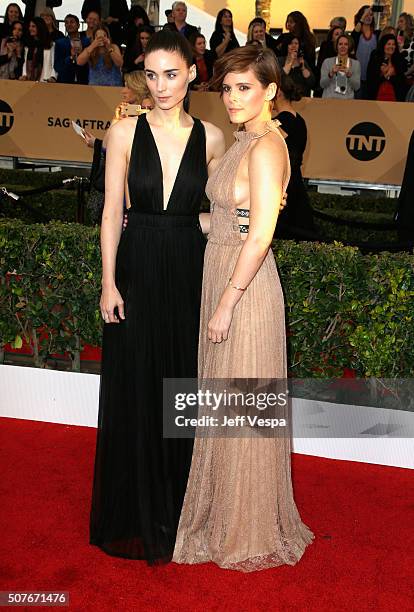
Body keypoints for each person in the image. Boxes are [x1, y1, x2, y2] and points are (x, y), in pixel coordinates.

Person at [173, 45, 314, 571]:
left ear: (270, 91)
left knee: (243, 407)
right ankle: (223, 516)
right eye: (227, 88)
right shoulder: (242, 142)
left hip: (246, 289)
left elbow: (259, 237)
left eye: (244, 88)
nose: (232, 98)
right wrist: (163, 226)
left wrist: (227, 304)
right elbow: (225, 222)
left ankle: (248, 528)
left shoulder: (268, 147)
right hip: (223, 272)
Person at [89, 29, 225, 564]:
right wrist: (108, 281)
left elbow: (226, 213)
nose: (162, 85)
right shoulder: (124, 131)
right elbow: (110, 212)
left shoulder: (213, 138)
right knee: (138, 384)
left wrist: (228, 218)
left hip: (189, 268)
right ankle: (135, 512)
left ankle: (181, 510)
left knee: (180, 385)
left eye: (172, 74)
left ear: (193, 72)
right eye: (152, 74)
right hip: (138, 267)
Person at [274, 74, 315, 240]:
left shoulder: (283, 121)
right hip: (294, 184)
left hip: (285, 188)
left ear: (277, 93)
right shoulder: (299, 120)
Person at [367, 33, 407, 101]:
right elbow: (370, 81)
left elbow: (402, 82)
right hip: (377, 96)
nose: (391, 46)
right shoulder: (375, 57)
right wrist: (382, 74)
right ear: (383, 45)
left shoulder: (400, 59)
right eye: (388, 44)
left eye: (393, 44)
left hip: (395, 97)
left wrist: (393, 73)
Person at [351, 5, 380, 99]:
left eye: (371, 15)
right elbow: (353, 35)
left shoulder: (377, 34)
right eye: (366, 14)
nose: (368, 17)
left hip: (372, 78)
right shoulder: (357, 34)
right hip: (357, 77)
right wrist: (363, 17)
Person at [320, 34, 360, 99]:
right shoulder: (327, 62)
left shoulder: (356, 64)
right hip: (329, 100)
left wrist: (350, 76)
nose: (343, 46)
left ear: (349, 46)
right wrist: (331, 74)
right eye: (340, 44)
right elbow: (322, 85)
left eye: (346, 44)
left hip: (347, 102)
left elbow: (357, 87)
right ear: (336, 46)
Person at [54, 14, 90, 84]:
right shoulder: (60, 43)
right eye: (66, 23)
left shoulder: (86, 41)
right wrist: (71, 57)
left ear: (78, 25)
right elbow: (57, 66)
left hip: (83, 81)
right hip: (65, 82)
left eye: (72, 22)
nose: (69, 24)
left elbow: (89, 63)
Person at [19, 16, 57, 81]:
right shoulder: (28, 46)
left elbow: (54, 63)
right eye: (30, 26)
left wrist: (53, 77)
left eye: (33, 26)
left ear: (40, 27)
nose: (30, 28)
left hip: (46, 81)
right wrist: (24, 75)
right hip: (28, 81)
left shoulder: (51, 45)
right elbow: (25, 63)